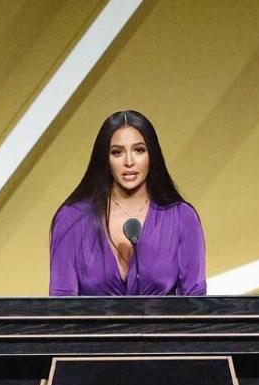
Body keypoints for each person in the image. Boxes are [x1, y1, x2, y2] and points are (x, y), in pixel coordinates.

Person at [49, 110, 205, 296]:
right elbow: (61, 307)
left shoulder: (182, 218)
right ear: (105, 159)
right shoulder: (71, 219)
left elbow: (196, 303)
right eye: (117, 152)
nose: (129, 162)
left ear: (152, 155)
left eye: (139, 150)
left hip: (163, 326)